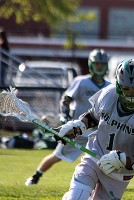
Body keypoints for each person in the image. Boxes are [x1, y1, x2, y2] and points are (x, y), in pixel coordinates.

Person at [58, 59, 134, 199]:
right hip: (94, 156)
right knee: (76, 196)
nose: (130, 94)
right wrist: (78, 127)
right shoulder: (108, 94)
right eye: (126, 88)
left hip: (119, 174)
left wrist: (123, 160)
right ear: (118, 85)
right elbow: (93, 117)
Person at [25, 49, 111, 186]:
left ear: (106, 66)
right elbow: (66, 99)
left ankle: (102, 185)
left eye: (102, 64)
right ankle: (36, 176)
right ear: (90, 65)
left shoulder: (109, 87)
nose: (99, 67)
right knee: (57, 156)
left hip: (97, 133)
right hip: (77, 130)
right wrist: (64, 115)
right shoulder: (81, 81)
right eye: (96, 64)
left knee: (104, 159)